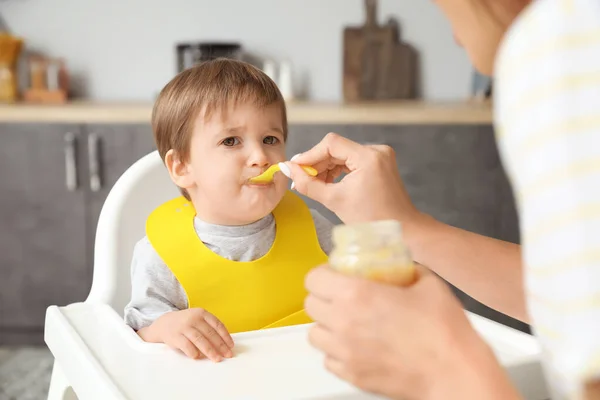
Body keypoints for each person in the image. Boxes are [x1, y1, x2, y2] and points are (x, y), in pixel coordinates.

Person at [281, 0, 600, 398]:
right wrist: (408, 229)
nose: (452, 35)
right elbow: (578, 297)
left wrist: (445, 370)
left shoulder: (559, 44)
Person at [123, 59, 335, 362]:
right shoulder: (160, 254)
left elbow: (366, 288)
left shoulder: (315, 229)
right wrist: (166, 328)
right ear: (182, 167)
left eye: (270, 139)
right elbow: (137, 339)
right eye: (231, 140)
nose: (260, 157)